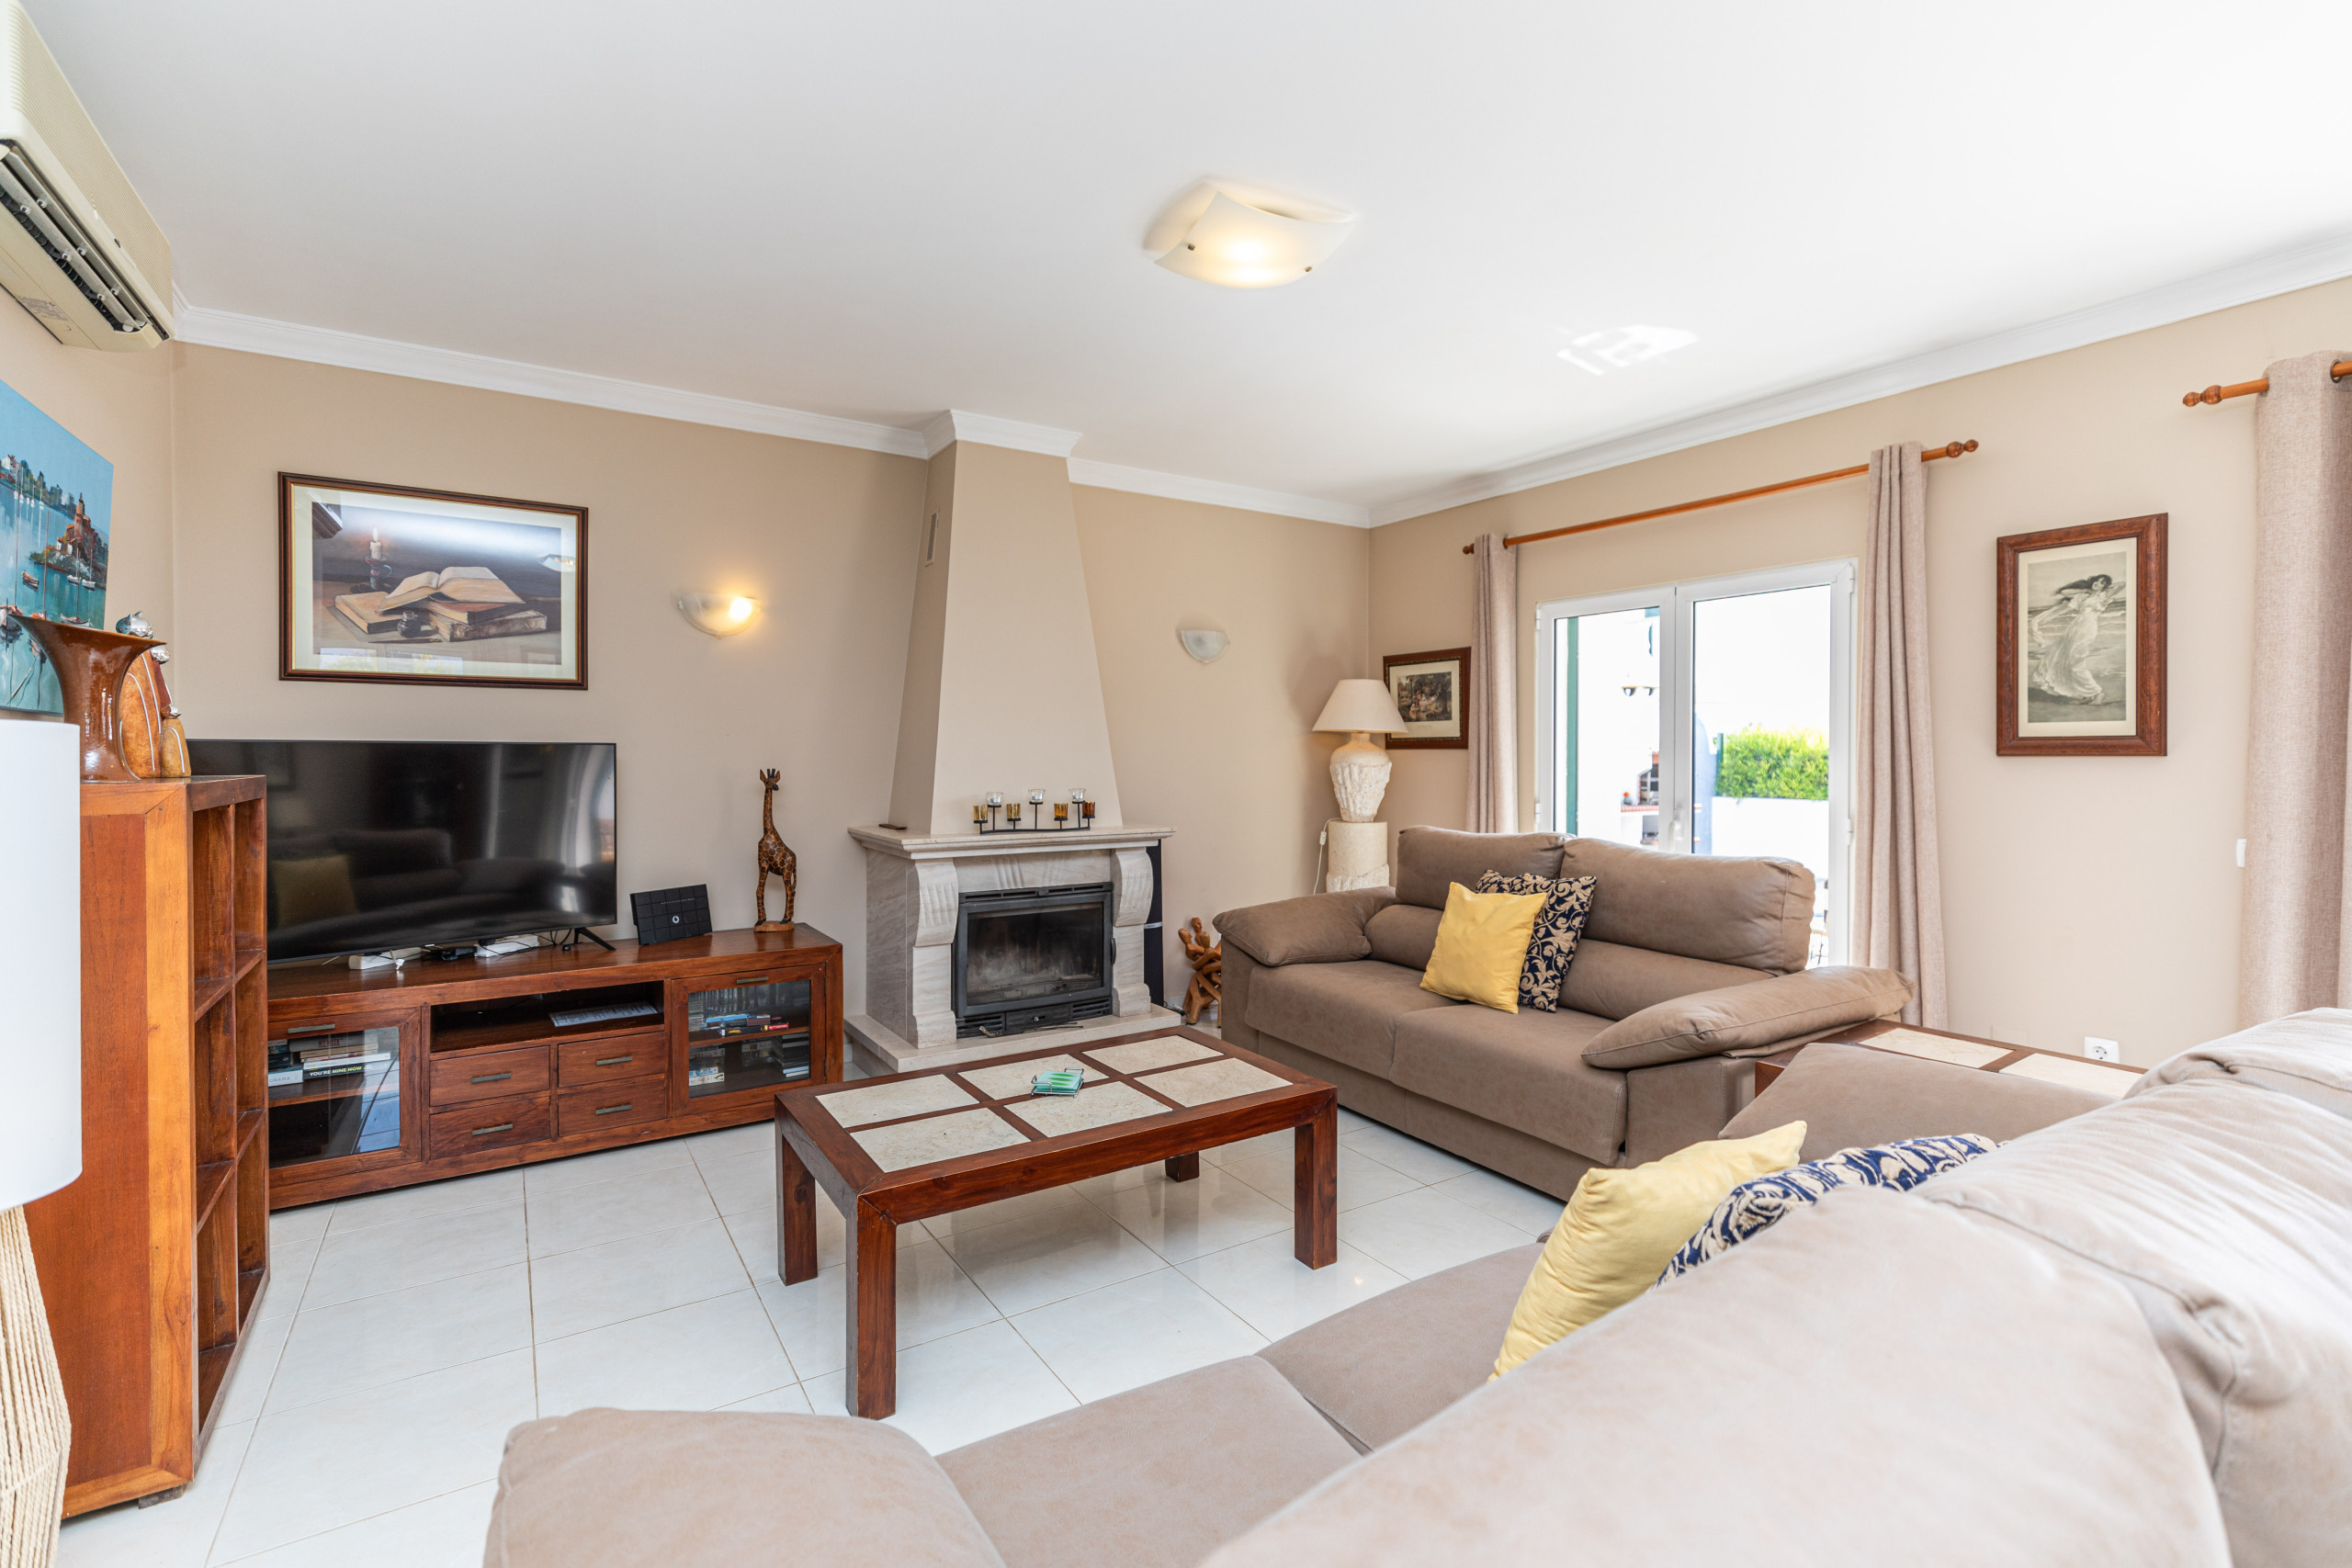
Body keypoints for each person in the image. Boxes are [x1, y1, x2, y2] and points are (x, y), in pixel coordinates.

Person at [2028, 573, 2114, 705]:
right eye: (2097, 580)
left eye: (2102, 583)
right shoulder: (2082, 596)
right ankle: (2086, 695)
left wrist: (2103, 589)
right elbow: (2064, 596)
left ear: (2105, 587)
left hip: (2087, 629)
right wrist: (2086, 590)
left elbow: (2122, 584)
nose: (2098, 583)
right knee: (2064, 659)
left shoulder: (2103, 597)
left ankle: (2098, 693)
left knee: (2076, 661)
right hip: (2074, 628)